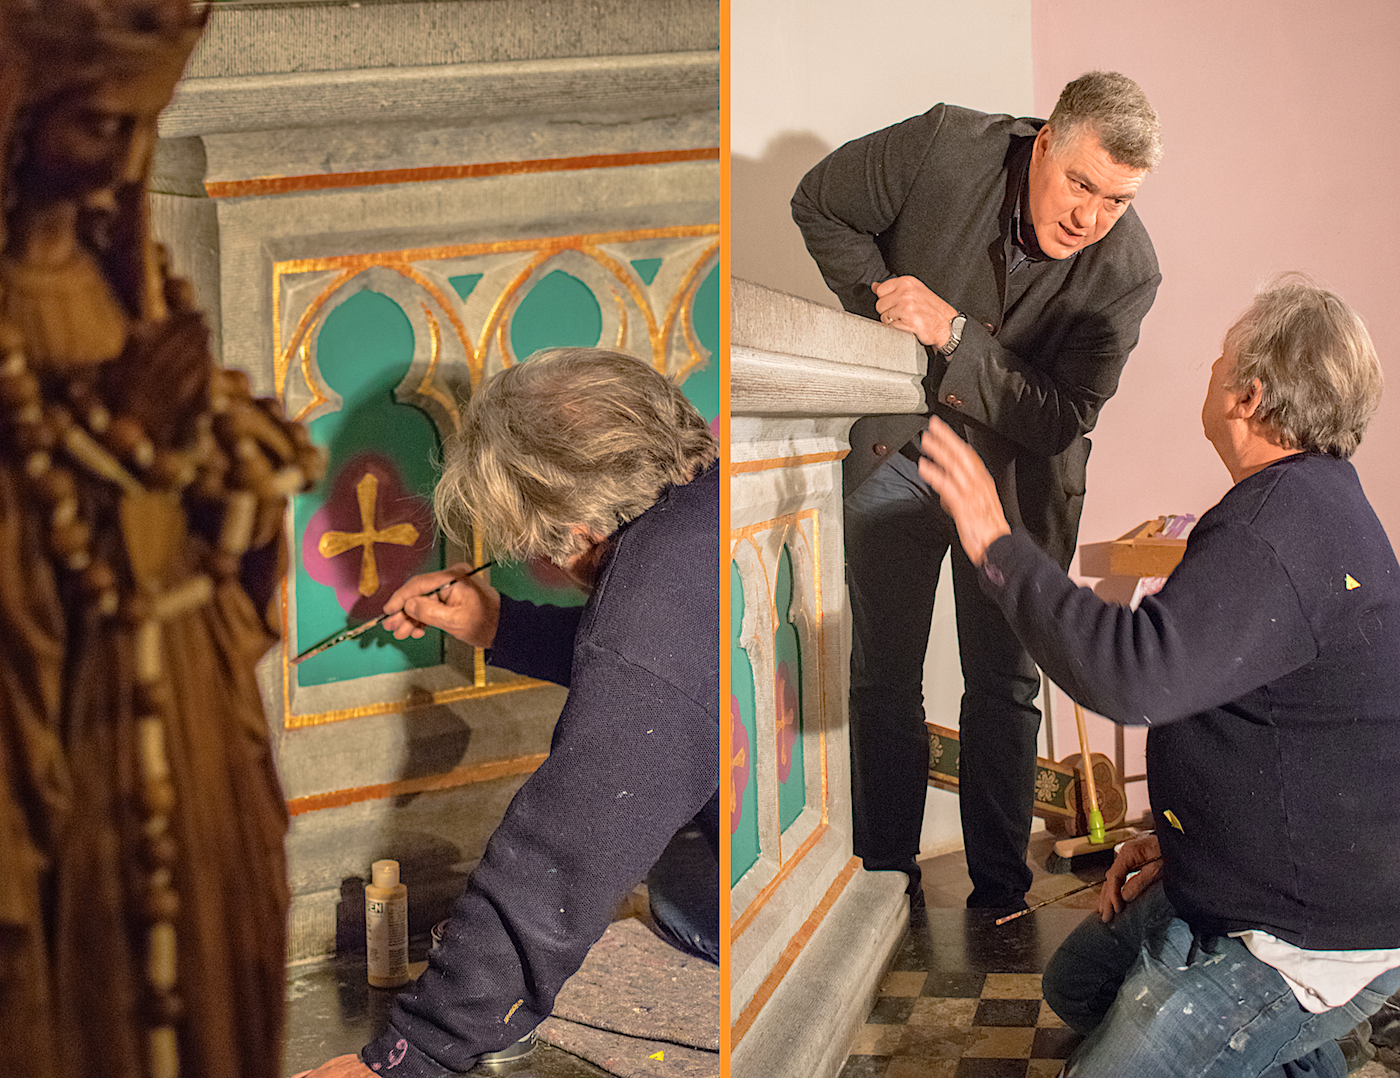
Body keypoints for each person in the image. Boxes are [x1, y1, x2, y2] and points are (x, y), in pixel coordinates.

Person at [917, 275, 1400, 1077]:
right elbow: (1278, 727)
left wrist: (994, 542)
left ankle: (1289, 1034)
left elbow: (1131, 675)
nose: (1209, 372)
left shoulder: (1280, 528)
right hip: (1251, 879)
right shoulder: (1309, 505)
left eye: (1220, 360)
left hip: (1306, 938)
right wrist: (1182, 844)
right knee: (1080, 988)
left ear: (1248, 396)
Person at [0, 2, 322, 1076]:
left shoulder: (114, 274)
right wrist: (138, 432)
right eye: (100, 124)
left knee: (208, 985)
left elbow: (166, 487)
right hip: (76, 731)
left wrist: (218, 461)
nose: (129, 158)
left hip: (182, 703)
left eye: (146, 123)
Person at [791, 71, 1163, 910]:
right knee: (882, 673)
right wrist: (886, 324)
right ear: (1045, 144)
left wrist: (949, 332)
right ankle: (885, 881)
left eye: (1116, 200)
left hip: (1020, 490)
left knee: (1005, 684)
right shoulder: (943, 143)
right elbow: (821, 202)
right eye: (1081, 184)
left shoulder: (1130, 271)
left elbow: (1063, 418)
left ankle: (1000, 891)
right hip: (897, 454)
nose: (1090, 218)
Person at [296, 347, 720, 1077]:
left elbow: (559, 860)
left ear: (579, 531)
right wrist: (499, 624)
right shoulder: (708, 506)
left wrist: (410, 1055)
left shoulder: (648, 611)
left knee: (677, 892)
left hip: (758, 909)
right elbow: (680, 675)